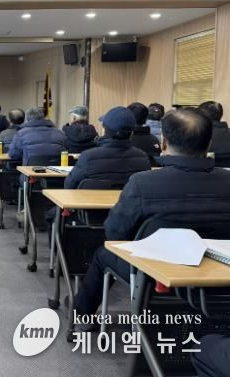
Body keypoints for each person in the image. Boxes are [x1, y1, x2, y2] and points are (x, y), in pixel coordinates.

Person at [72, 108, 230, 324]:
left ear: (163, 142)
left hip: (150, 272)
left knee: (103, 254)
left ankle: (81, 315)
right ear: (209, 143)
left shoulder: (143, 182)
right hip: (217, 273)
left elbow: (115, 233)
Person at [64, 106, 150, 189]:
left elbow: (69, 185)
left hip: (93, 199)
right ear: (131, 133)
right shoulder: (143, 159)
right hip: (128, 199)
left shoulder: (88, 157)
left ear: (105, 130)